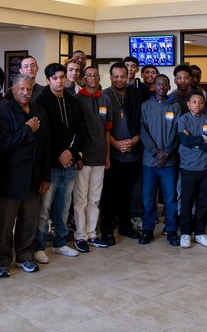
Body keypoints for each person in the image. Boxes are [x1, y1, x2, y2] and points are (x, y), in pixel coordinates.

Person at [0, 75, 50, 277]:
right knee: (3, 224)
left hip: (33, 178)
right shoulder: (2, 112)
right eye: (21, 89)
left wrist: (45, 176)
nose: (25, 92)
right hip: (9, 178)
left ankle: (25, 256)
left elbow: (44, 147)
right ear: (13, 90)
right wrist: (26, 129)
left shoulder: (39, 111)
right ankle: (0, 260)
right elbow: (3, 144)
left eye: (29, 89)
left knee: (29, 221)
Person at [33, 63, 87, 262]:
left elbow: (81, 129)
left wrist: (71, 153)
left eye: (62, 77)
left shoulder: (72, 101)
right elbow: (44, 134)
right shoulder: (41, 101)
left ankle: (59, 243)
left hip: (69, 163)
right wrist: (60, 155)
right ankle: (39, 247)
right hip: (51, 165)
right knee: (44, 209)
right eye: (55, 78)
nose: (60, 81)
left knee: (63, 207)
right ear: (48, 80)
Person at [101, 62, 145, 244]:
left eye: (122, 76)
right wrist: (116, 145)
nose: (119, 79)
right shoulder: (105, 96)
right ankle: (107, 230)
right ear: (110, 77)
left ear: (127, 76)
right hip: (114, 153)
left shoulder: (135, 94)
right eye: (116, 76)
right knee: (110, 194)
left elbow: (143, 122)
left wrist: (134, 141)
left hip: (133, 152)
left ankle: (125, 227)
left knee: (128, 193)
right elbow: (102, 127)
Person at [72, 66, 113, 251]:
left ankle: (92, 234)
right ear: (83, 78)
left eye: (96, 75)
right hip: (83, 157)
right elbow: (74, 132)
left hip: (99, 156)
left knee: (95, 199)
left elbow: (107, 130)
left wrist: (107, 154)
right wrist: (76, 155)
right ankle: (80, 236)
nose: (93, 78)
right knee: (80, 199)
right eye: (89, 75)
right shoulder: (77, 99)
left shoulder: (105, 99)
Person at [139, 74, 181, 246]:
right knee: (148, 198)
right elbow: (143, 131)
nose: (161, 86)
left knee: (170, 198)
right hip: (150, 161)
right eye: (158, 84)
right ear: (153, 86)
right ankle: (148, 229)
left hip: (169, 162)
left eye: (164, 84)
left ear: (169, 85)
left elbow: (177, 131)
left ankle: (171, 230)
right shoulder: (146, 106)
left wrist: (166, 152)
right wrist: (156, 153)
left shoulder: (175, 106)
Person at [177, 92, 207, 248]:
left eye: (200, 102)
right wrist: (203, 138)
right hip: (188, 168)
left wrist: (196, 141)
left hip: (206, 168)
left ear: (204, 104)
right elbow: (185, 141)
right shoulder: (183, 120)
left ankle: (200, 232)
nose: (197, 105)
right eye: (194, 102)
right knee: (186, 201)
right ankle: (186, 233)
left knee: (203, 202)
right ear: (188, 104)